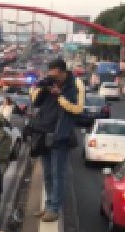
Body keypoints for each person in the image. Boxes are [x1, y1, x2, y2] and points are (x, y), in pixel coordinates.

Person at [29, 58, 85, 223]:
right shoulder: (48, 83)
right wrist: (42, 87)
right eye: (50, 76)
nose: (53, 79)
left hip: (60, 135)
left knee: (57, 173)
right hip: (43, 132)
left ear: (62, 72)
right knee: (47, 174)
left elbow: (78, 109)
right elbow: (35, 102)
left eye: (55, 76)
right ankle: (48, 205)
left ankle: (54, 208)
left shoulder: (76, 85)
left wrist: (59, 95)